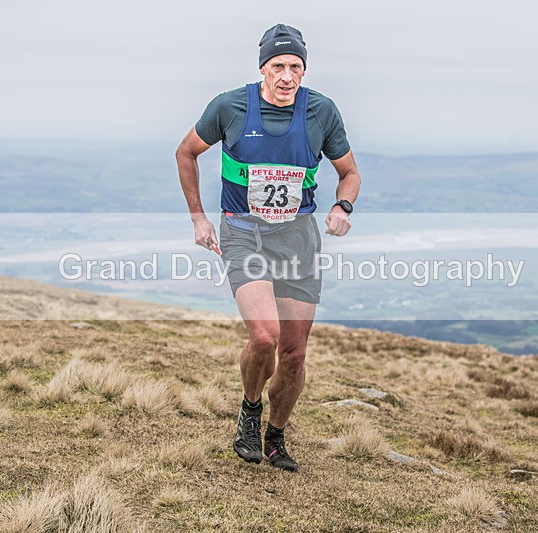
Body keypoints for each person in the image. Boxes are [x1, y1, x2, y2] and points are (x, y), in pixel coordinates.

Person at [176, 23, 361, 472]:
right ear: (263, 67)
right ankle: (250, 409)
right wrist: (199, 217)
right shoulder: (230, 106)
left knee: (294, 355)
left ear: (303, 70)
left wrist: (342, 207)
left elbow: (350, 172)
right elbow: (186, 153)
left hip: (297, 238)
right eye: (278, 65)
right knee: (264, 336)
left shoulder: (321, 111)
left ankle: (276, 436)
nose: (286, 76)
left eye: (295, 66)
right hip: (244, 232)